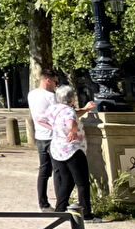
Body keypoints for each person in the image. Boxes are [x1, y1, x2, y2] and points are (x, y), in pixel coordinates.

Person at [48, 84, 96, 218]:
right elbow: (70, 122)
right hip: (72, 149)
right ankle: (86, 213)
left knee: (67, 181)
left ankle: (60, 209)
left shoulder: (54, 109)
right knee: (82, 183)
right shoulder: (69, 111)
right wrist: (73, 130)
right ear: (71, 98)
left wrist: (85, 109)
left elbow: (41, 119)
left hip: (57, 149)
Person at [27, 69, 59, 211]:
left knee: (44, 170)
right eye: (55, 82)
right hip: (53, 136)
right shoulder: (52, 96)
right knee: (59, 170)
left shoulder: (32, 94)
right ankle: (61, 202)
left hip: (40, 136)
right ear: (48, 80)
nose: (56, 85)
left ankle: (43, 203)